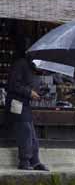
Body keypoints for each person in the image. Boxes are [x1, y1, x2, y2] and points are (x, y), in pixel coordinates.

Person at [6, 38, 47, 171]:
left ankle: (35, 161)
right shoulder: (20, 64)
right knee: (25, 131)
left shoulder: (31, 67)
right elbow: (13, 85)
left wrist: (37, 93)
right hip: (16, 103)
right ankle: (24, 161)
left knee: (31, 132)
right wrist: (30, 92)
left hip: (25, 103)